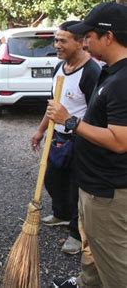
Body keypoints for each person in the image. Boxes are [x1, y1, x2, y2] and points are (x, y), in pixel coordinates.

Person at [48, 2, 127, 288]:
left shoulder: (122, 81)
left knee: (114, 259)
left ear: (109, 37)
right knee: (94, 248)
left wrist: (71, 122)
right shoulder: (110, 72)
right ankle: (86, 283)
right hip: (94, 184)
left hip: (108, 191)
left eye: (89, 35)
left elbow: (120, 141)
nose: (84, 41)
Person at [31, 21, 100, 256]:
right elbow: (53, 105)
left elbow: (97, 114)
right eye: (56, 40)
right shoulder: (59, 68)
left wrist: (82, 133)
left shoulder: (91, 72)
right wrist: (40, 131)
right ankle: (60, 213)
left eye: (63, 40)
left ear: (80, 42)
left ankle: (76, 233)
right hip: (57, 135)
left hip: (81, 139)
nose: (57, 45)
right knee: (52, 177)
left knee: (76, 189)